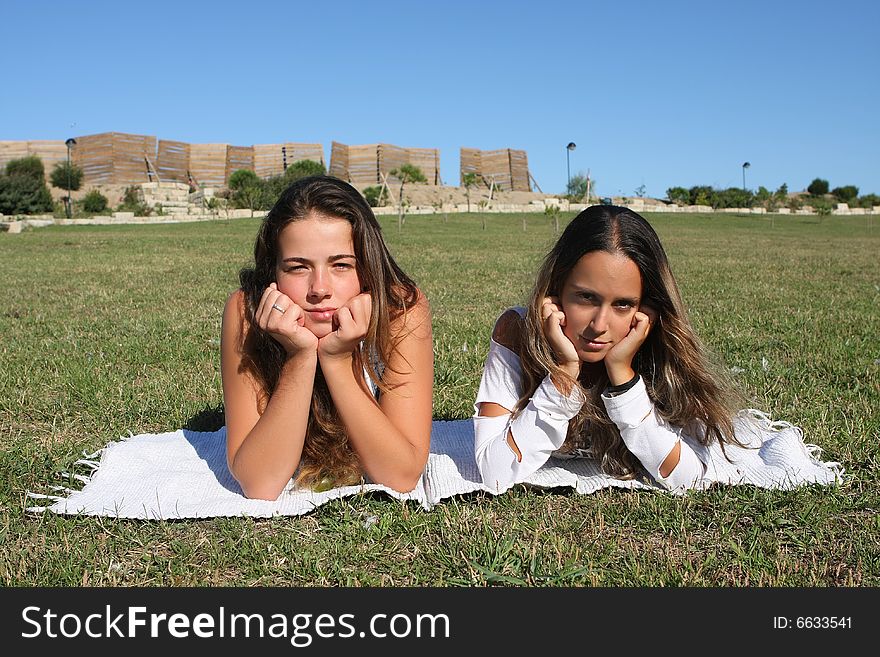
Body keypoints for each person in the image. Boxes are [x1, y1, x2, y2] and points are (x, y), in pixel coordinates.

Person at [474, 204, 745, 492]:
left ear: (646, 308)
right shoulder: (518, 331)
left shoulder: (659, 346)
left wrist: (623, 376)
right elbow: (495, 472)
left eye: (623, 304)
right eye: (586, 297)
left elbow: (688, 478)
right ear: (556, 290)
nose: (600, 325)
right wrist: (563, 375)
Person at [221, 175, 433, 500]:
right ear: (273, 272)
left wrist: (337, 360)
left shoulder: (400, 311)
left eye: (342, 265)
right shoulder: (247, 312)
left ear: (367, 267)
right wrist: (299, 357)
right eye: (298, 267)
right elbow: (260, 482)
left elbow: (401, 474)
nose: (320, 289)